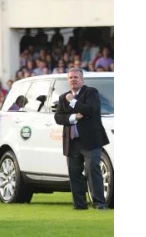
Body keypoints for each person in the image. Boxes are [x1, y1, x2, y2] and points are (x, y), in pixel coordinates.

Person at [54, 69, 110, 210]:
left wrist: (72, 102)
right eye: (70, 78)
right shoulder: (63, 98)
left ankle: (99, 204)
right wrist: (74, 117)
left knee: (92, 170)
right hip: (72, 141)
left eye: (76, 77)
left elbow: (90, 110)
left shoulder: (91, 92)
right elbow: (58, 117)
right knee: (74, 173)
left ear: (82, 79)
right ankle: (80, 205)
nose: (73, 79)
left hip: (91, 141)